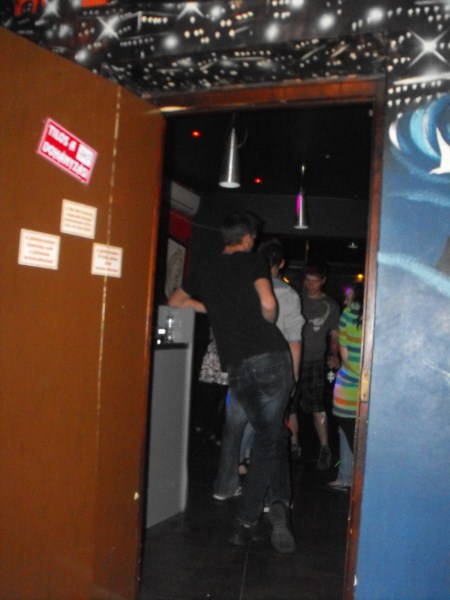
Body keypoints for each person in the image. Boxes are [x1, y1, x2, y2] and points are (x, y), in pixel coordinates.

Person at [168, 212, 296, 553]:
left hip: (236, 365)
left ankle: (276, 504)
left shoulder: (205, 267)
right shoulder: (253, 261)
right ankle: (250, 519)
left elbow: (175, 302)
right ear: (248, 237)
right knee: (269, 438)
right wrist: (264, 318)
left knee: (271, 435)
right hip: (271, 357)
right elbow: (268, 304)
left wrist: (215, 310)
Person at [299, 264, 340, 470]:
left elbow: (335, 335)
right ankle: (293, 445)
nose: (311, 285)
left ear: (323, 281)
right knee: (289, 405)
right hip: (292, 358)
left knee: (317, 405)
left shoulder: (330, 305)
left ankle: (324, 448)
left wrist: (335, 356)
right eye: (308, 280)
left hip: (315, 361)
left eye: (315, 281)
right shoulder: (296, 299)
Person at [326, 282, 364, 491]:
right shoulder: (380, 312)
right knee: (357, 435)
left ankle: (350, 479)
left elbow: (346, 355)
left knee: (349, 434)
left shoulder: (349, 314)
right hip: (370, 386)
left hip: (348, 386)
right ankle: (348, 477)